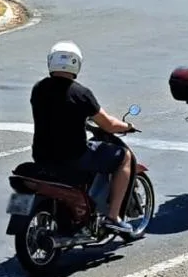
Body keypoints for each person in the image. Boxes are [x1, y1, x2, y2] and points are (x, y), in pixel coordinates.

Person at [30, 41, 137, 235]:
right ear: (76, 63)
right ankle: (113, 217)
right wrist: (127, 127)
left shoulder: (38, 89)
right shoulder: (80, 94)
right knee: (124, 157)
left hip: (42, 156)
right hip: (74, 157)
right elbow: (108, 125)